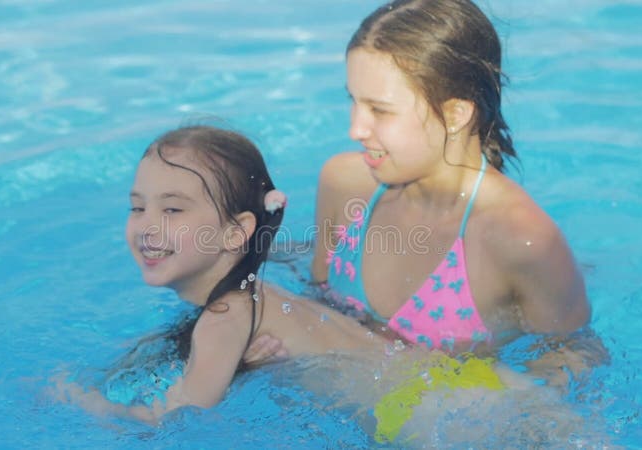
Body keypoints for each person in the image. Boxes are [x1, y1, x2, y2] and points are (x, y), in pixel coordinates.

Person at [245, 0, 593, 368]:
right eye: (354, 102)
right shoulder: (345, 185)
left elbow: (571, 361)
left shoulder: (521, 238)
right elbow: (319, 304)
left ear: (455, 114)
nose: (356, 129)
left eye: (380, 110)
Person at [51, 125, 411, 425]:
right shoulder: (254, 295)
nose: (147, 227)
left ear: (236, 231)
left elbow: (172, 421)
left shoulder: (222, 320)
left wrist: (86, 403)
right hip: (421, 374)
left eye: (173, 209)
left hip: (412, 414)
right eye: (138, 208)